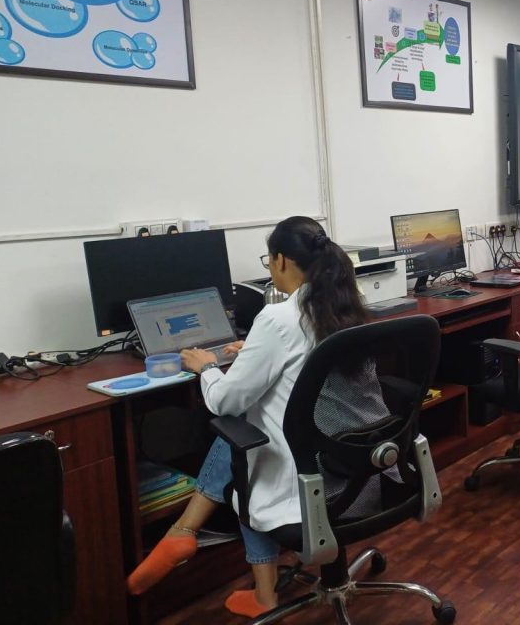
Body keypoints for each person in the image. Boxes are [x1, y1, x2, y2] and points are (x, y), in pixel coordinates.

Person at [127, 216, 385, 619]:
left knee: (241, 439)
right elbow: (303, 355)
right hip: (365, 471)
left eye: (269, 261)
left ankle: (203, 546)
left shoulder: (278, 318)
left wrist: (206, 367)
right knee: (249, 428)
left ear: (280, 260)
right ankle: (186, 531)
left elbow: (224, 402)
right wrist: (255, 349)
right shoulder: (345, 308)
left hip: (317, 482)